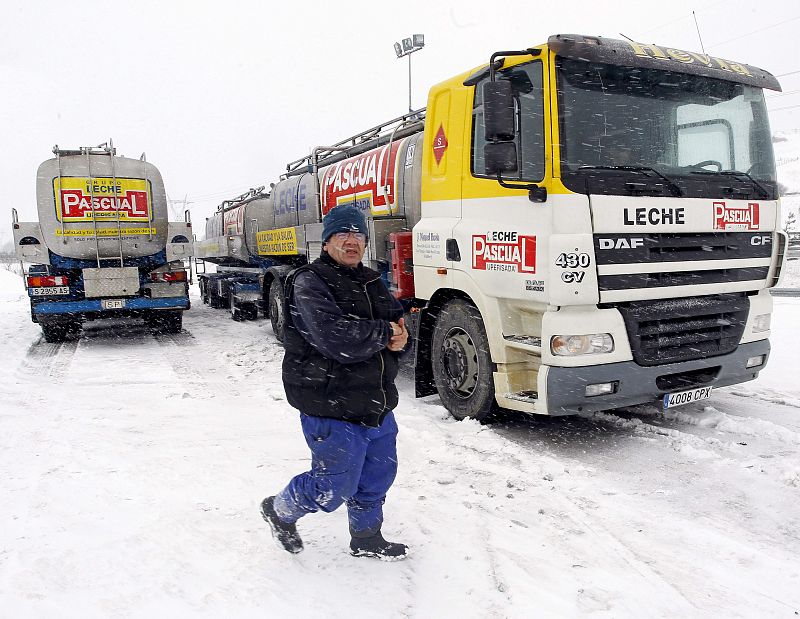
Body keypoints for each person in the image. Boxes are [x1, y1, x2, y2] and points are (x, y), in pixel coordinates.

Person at [260, 204, 410, 561]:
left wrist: (399, 337)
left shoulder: (371, 279)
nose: (352, 240)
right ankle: (280, 510)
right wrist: (384, 333)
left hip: (376, 400)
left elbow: (396, 322)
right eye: (342, 233)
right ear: (327, 241)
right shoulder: (309, 281)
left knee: (377, 475)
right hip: (330, 401)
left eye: (358, 233)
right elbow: (334, 337)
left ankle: (367, 537)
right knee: (333, 485)